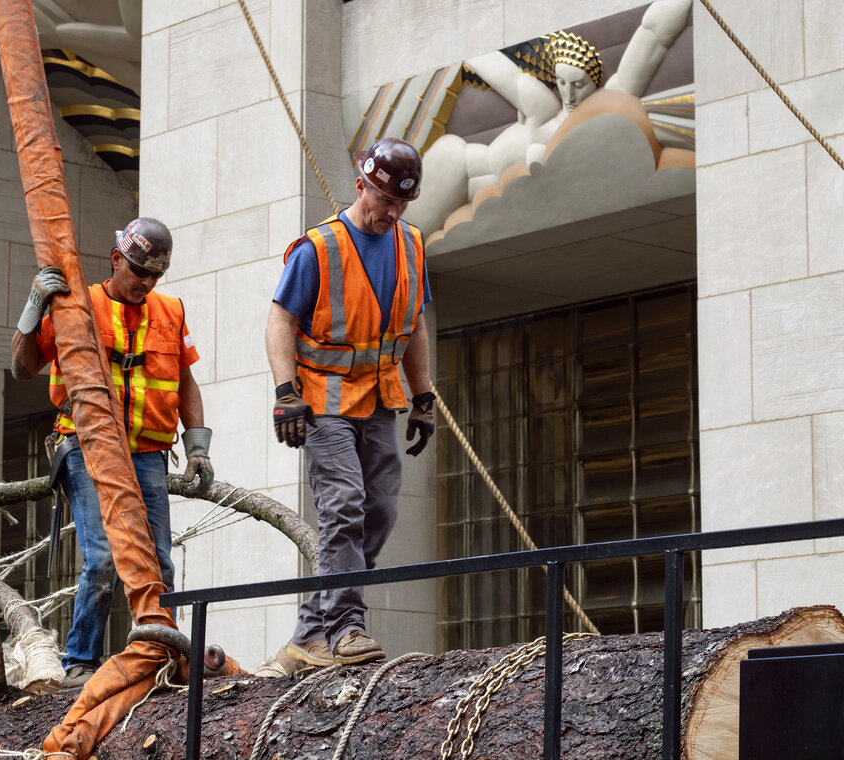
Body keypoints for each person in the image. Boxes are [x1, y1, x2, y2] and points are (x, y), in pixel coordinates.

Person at [10, 216, 214, 688]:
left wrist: (197, 446)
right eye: (139, 271)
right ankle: (80, 661)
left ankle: (165, 653)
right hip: (85, 446)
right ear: (116, 259)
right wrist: (35, 303)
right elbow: (21, 368)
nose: (146, 282)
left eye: (155, 275)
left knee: (159, 560)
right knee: (102, 558)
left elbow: (185, 383)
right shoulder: (76, 306)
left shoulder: (171, 310)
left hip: (146, 452)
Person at [264, 138, 435, 671]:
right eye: (385, 200)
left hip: (380, 398)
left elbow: (415, 325)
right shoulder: (319, 248)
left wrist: (424, 394)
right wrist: (285, 393)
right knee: (342, 505)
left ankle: (310, 633)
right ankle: (345, 629)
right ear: (362, 185)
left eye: (403, 204)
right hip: (322, 401)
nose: (393, 212)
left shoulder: (411, 243)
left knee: (379, 511)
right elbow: (280, 321)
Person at [407, 0, 692, 234]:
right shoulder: (542, 107)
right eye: (562, 83)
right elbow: (503, 73)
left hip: (492, 191)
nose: (568, 93)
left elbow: (653, 35)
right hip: (460, 166)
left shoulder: (608, 103)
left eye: (578, 84)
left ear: (594, 81)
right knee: (398, 244)